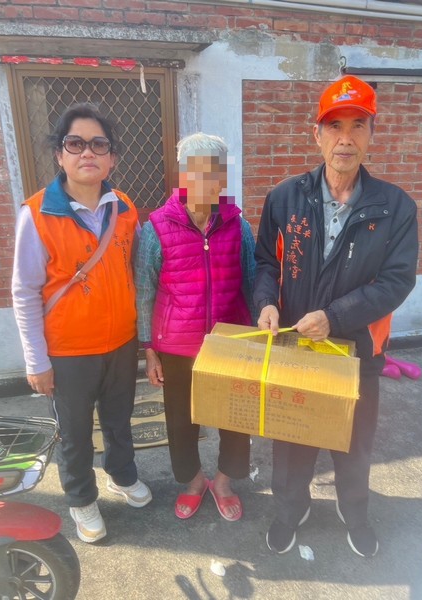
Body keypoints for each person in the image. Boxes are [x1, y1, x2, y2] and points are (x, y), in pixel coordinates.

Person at [254, 76, 418, 557]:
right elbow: (265, 263)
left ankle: (355, 512)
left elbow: (396, 281)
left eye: (357, 126)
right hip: (296, 347)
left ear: (371, 135)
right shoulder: (285, 197)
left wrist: (335, 316)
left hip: (357, 352)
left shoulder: (395, 207)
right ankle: (290, 510)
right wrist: (265, 302)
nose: (345, 138)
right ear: (317, 134)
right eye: (334, 126)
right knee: (291, 441)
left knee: (353, 444)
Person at [12, 103, 151, 544]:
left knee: (119, 419)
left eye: (98, 144)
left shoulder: (124, 208)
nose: (87, 152)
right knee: (74, 434)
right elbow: (24, 291)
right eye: (75, 143)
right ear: (60, 154)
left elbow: (135, 271)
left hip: (121, 343)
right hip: (68, 352)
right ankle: (81, 498)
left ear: (112, 158)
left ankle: (122, 474)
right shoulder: (37, 214)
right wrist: (36, 361)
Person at [135, 132, 255, 521]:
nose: (206, 181)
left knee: (235, 417)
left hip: (229, 342)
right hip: (176, 345)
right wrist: (149, 348)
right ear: (182, 175)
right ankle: (193, 481)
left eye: (215, 172)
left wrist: (257, 340)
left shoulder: (239, 226)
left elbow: (252, 284)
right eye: (196, 171)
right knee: (181, 421)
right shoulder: (156, 227)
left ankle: (224, 481)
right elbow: (145, 290)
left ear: (223, 178)